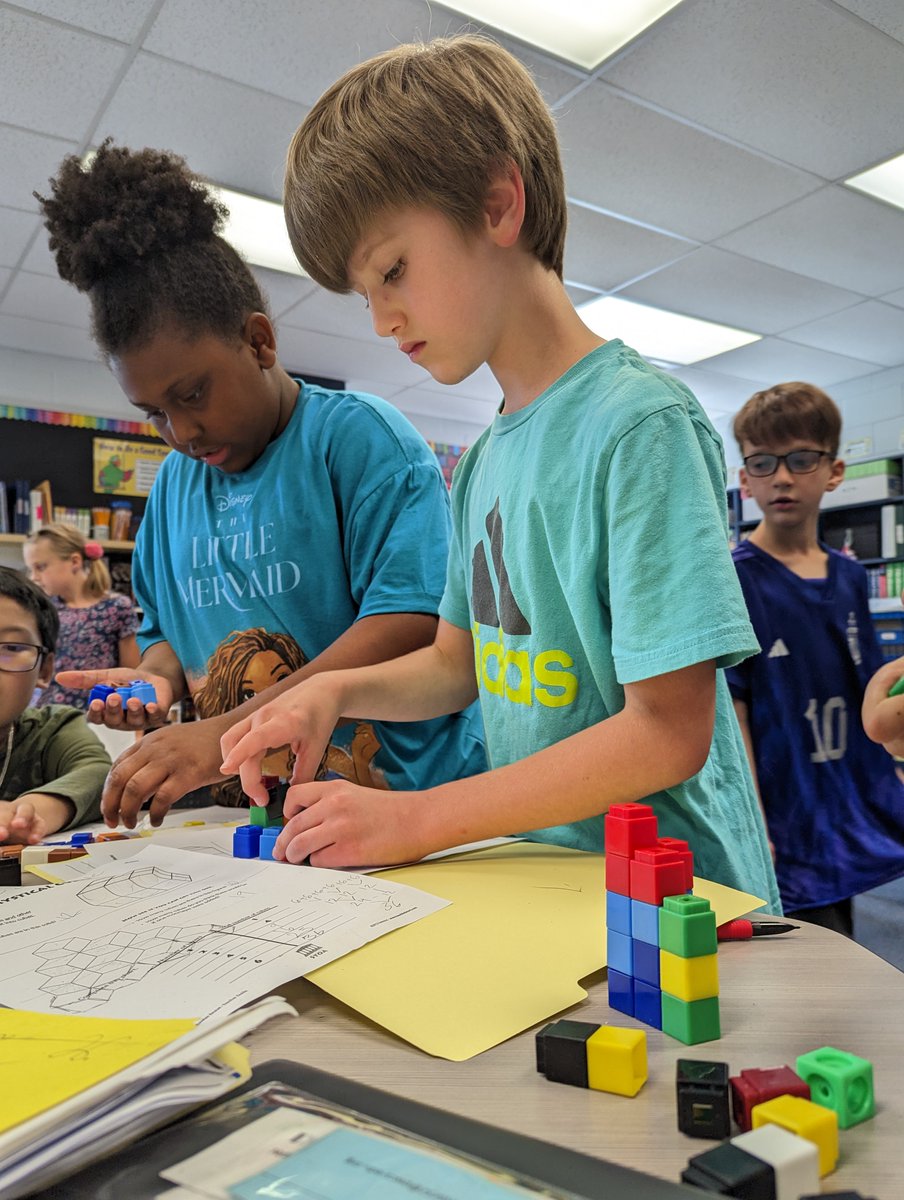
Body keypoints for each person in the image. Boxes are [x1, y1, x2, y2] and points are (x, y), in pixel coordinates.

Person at [219, 35, 780, 911]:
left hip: (685, 906)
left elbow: (668, 733)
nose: (381, 320)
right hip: (551, 894)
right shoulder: (482, 461)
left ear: (497, 203)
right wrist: (333, 689)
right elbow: (459, 664)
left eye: (393, 270)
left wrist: (419, 819)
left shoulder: (639, 425)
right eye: (365, 293)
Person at [35, 140, 485, 822]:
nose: (180, 433)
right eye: (154, 413)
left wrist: (224, 729)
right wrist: (154, 683)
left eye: (194, 394)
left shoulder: (361, 441)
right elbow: (163, 630)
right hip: (261, 821)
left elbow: (412, 621)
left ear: (259, 341)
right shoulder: (172, 493)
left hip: (402, 807)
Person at [726, 381, 904, 933]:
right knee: (806, 954)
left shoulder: (850, 576)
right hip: (785, 812)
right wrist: (752, 823)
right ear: (745, 480)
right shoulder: (735, 580)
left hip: (850, 804)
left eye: (801, 459)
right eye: (763, 462)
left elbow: (870, 688)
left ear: (833, 471)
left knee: (848, 939)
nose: (782, 476)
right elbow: (734, 712)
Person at [0, 566, 110, 843]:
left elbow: (97, 773)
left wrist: (28, 814)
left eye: (11, 648)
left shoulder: (52, 729)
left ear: (45, 670)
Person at [23, 523, 139, 709]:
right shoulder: (42, 609)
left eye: (40, 567)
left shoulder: (117, 607)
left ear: (75, 562)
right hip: (46, 716)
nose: (33, 577)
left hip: (100, 718)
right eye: (30, 569)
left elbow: (131, 674)